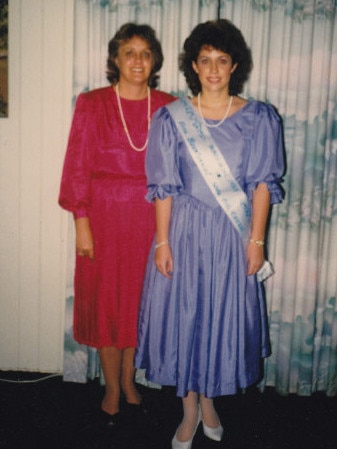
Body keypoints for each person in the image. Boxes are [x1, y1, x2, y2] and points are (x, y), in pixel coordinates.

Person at [135, 19, 285, 448]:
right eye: (205, 60)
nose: (214, 69)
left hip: (230, 238)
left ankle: (211, 403)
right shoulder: (171, 119)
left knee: (220, 318)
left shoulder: (259, 118)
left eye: (222, 60)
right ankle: (188, 409)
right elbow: (163, 186)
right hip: (182, 232)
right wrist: (162, 242)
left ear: (235, 64)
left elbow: (262, 186)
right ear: (194, 66)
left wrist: (256, 241)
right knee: (186, 318)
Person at [58, 23, 175, 426]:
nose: (138, 60)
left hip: (151, 219)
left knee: (138, 306)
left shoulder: (168, 105)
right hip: (104, 219)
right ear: (115, 59)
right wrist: (81, 222)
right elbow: (76, 167)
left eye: (146, 53)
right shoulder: (91, 103)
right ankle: (110, 388)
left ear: (155, 60)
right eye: (130, 52)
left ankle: (129, 382)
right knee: (108, 306)